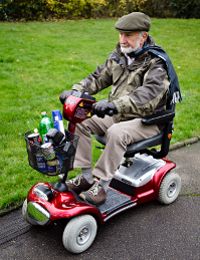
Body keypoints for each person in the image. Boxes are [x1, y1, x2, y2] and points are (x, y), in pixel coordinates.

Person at [59, 12, 178, 206]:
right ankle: (87, 178)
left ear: (143, 37)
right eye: (121, 34)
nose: (123, 40)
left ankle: (102, 187)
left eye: (128, 35)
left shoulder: (156, 63)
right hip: (120, 114)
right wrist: (75, 91)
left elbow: (146, 98)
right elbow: (97, 78)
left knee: (116, 132)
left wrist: (113, 105)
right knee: (80, 120)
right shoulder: (119, 56)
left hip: (149, 120)